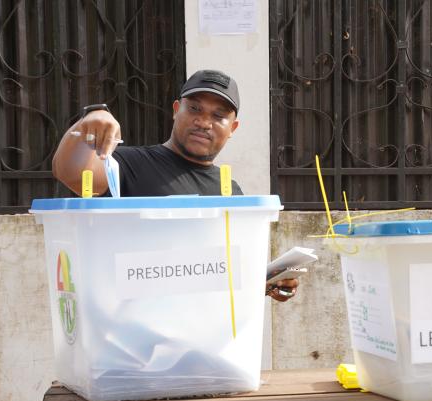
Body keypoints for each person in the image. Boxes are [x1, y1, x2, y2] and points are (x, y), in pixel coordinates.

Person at [52, 69, 298, 301]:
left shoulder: (229, 191)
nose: (203, 122)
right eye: (194, 109)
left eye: (218, 116)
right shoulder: (129, 164)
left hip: (203, 337)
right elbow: (70, 172)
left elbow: (220, 274)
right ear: (176, 110)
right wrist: (92, 119)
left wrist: (265, 284)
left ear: (232, 128)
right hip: (131, 336)